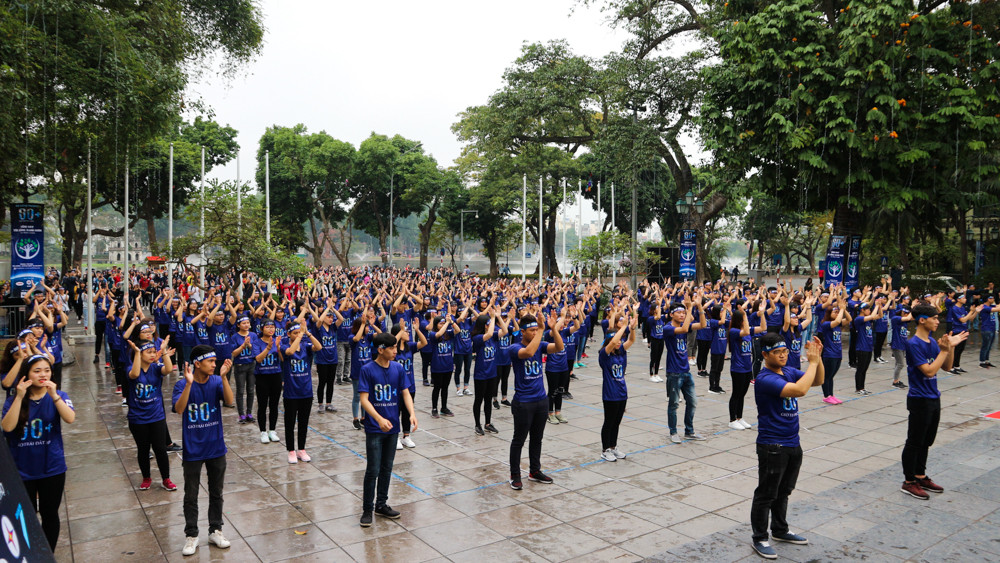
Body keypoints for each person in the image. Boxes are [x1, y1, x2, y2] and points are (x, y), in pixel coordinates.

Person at [749, 332, 825, 560]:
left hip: (793, 441)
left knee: (784, 491)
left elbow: (818, 380)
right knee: (766, 493)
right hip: (773, 444)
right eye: (777, 352)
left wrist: (818, 358)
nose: (782, 356)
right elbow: (800, 390)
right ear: (765, 354)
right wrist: (811, 362)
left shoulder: (789, 371)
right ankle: (760, 537)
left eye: (785, 351)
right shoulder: (765, 378)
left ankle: (780, 530)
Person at [1, 354, 75, 550]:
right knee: (27, 515)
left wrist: (55, 396)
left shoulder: (60, 396)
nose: (43, 374)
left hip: (52, 467)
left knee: (50, 514)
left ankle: (48, 554)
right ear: (26, 374)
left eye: (47, 370)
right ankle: (31, 552)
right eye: (37, 371)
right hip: (22, 470)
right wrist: (18, 396)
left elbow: (70, 418)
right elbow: (7, 428)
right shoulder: (12, 401)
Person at [900, 304, 967, 500]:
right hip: (919, 399)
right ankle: (909, 481)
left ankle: (920, 476)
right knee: (914, 441)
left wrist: (949, 348)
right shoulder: (914, 344)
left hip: (933, 396)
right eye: (935, 318)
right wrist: (944, 350)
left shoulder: (931, 341)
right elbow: (929, 370)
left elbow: (946, 367)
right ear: (922, 320)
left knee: (926, 441)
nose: (938, 321)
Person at [172, 345, 234, 556]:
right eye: (211, 362)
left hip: (216, 446)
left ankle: (215, 530)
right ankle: (191, 534)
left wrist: (224, 378)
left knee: (217, 492)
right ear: (197, 363)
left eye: (216, 362)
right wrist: (189, 384)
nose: (215, 365)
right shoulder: (181, 385)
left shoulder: (216, 381)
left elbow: (229, 401)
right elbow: (179, 409)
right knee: (191, 494)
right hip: (193, 449)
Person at [357, 332, 417, 527]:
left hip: (393, 427)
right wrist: (379, 418)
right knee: (373, 469)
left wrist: (412, 413)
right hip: (375, 428)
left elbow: (405, 392)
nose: (395, 351)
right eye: (391, 348)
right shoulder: (367, 370)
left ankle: (381, 504)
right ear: (380, 350)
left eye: (395, 347)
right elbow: (364, 400)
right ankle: (367, 508)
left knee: (387, 467)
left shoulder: (398, 368)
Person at [509, 312, 563, 490]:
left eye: (536, 330)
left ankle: (534, 470)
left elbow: (559, 347)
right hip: (523, 402)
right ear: (522, 331)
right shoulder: (514, 347)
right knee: (519, 440)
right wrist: (541, 329)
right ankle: (515, 475)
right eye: (531, 330)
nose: (535, 333)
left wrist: (553, 328)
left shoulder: (541, 344)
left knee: (537, 438)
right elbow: (529, 351)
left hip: (541, 399)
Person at [126, 338, 177, 492]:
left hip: (156, 416)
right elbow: (134, 374)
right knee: (143, 449)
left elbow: (168, 370)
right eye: (148, 352)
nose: (153, 355)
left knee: (160, 449)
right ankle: (146, 477)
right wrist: (136, 353)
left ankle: (166, 479)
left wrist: (164, 352)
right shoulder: (130, 367)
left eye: (154, 352)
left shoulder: (156, 367)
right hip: (137, 418)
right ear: (140, 355)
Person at [663, 292, 708, 443]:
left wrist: (699, 306)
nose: (682, 315)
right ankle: (673, 432)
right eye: (679, 312)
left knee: (692, 401)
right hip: (674, 372)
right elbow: (683, 330)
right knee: (674, 404)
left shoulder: (684, 325)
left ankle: (689, 431)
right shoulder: (668, 328)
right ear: (671, 314)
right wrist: (689, 308)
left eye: (683, 312)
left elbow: (703, 325)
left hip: (686, 371)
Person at [280, 320, 322, 464]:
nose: (299, 335)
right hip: (291, 392)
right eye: (295, 333)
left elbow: (319, 346)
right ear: (289, 334)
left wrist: (308, 333)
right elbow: (290, 352)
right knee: (290, 422)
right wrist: (300, 335)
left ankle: (301, 449)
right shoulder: (284, 345)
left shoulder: (306, 346)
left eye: (299, 332)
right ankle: (291, 450)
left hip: (306, 391)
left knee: (303, 422)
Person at [599, 308, 638, 461]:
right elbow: (614, 340)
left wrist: (632, 329)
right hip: (610, 394)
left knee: (617, 422)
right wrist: (623, 326)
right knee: (609, 422)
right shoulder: (604, 354)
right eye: (616, 340)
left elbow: (631, 340)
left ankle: (613, 447)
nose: (619, 342)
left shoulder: (620, 351)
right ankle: (605, 449)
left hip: (622, 392)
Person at [471, 308, 505, 435]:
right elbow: (489, 334)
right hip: (481, 374)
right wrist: (492, 318)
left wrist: (498, 317)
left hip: (492, 373)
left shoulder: (493, 336)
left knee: (488, 400)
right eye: (487, 324)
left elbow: (505, 331)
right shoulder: (478, 338)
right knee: (479, 400)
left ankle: (488, 423)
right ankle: (477, 424)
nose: (490, 326)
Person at [252, 319, 283, 443]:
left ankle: (272, 430)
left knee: (274, 404)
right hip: (262, 376)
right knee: (262, 405)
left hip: (276, 375)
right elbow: (258, 359)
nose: (271, 329)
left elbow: (283, 359)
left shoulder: (278, 341)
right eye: (267, 327)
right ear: (261, 329)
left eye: (272, 327)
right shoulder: (256, 342)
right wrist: (268, 348)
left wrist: (279, 348)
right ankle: (263, 431)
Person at [979, 295, 997, 368]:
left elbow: (997, 306)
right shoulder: (984, 307)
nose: (993, 299)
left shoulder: (991, 305)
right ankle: (982, 361)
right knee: (985, 346)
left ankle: (987, 360)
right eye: (991, 298)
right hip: (986, 329)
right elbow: (997, 309)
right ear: (987, 299)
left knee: (989, 346)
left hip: (992, 328)